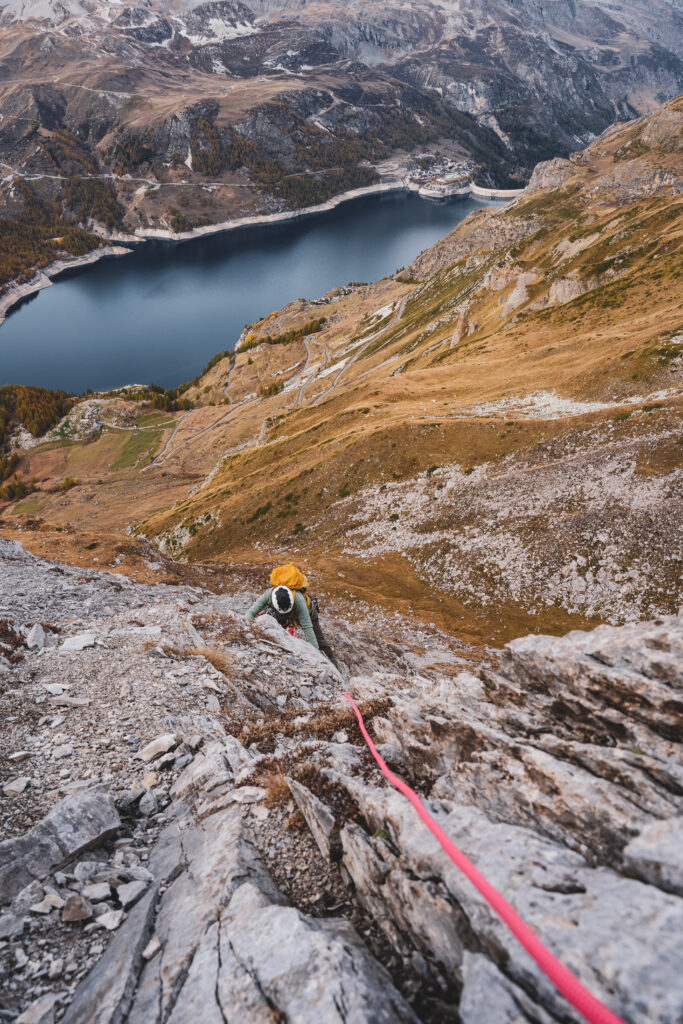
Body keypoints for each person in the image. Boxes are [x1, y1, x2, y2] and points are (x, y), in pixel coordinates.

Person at [246, 563, 339, 668]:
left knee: (320, 641)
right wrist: (248, 632)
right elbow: (250, 613)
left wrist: (316, 656)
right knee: (275, 633)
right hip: (280, 614)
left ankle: (335, 666)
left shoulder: (299, 601)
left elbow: (308, 628)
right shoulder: (268, 595)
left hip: (308, 613)